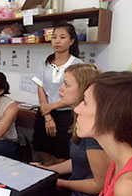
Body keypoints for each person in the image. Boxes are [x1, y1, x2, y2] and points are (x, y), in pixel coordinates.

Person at [32, 64, 110, 196]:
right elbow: (81, 160)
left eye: (66, 85)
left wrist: (61, 183)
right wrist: (49, 170)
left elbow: (99, 184)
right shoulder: (78, 118)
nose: (60, 88)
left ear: (84, 89)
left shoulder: (92, 129)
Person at [74, 71, 132, 196]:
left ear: (112, 114)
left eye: (86, 102)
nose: (77, 109)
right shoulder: (116, 161)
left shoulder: (127, 186)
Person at [31, 22, 83, 165]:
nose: (57, 41)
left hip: (66, 116)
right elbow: (41, 88)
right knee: (45, 154)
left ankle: (60, 185)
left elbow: (77, 95)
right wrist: (47, 115)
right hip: (44, 113)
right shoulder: (46, 62)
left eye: (62, 37)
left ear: (71, 41)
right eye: (54, 37)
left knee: (62, 156)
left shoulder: (78, 65)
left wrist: (52, 106)